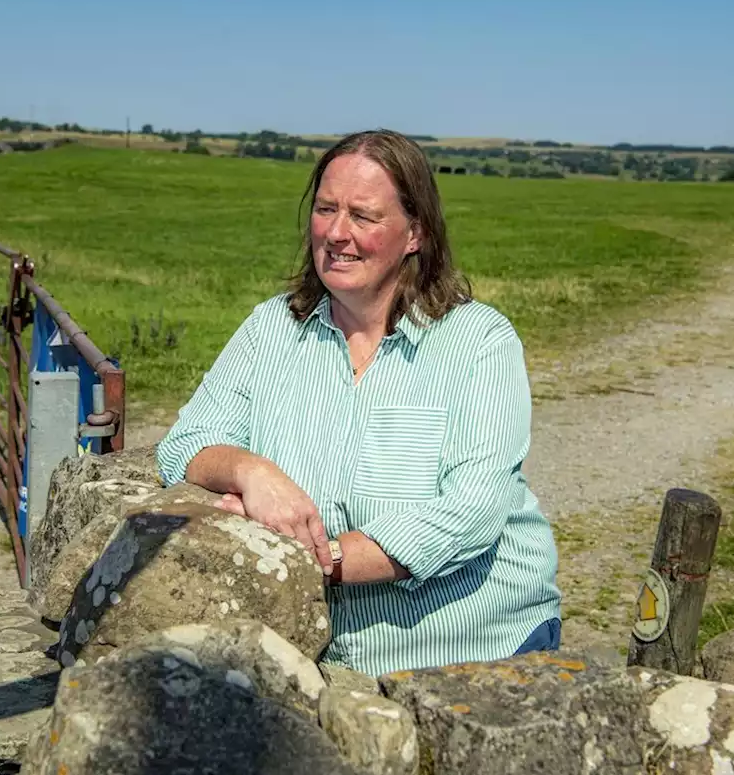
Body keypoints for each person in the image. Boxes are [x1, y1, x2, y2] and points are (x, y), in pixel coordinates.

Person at [155, 129, 561, 677]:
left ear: (415, 233)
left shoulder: (478, 342)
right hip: (319, 653)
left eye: (363, 216)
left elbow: (471, 513)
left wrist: (318, 558)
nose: (337, 233)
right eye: (325, 209)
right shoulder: (271, 329)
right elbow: (183, 445)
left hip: (473, 649)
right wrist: (250, 471)